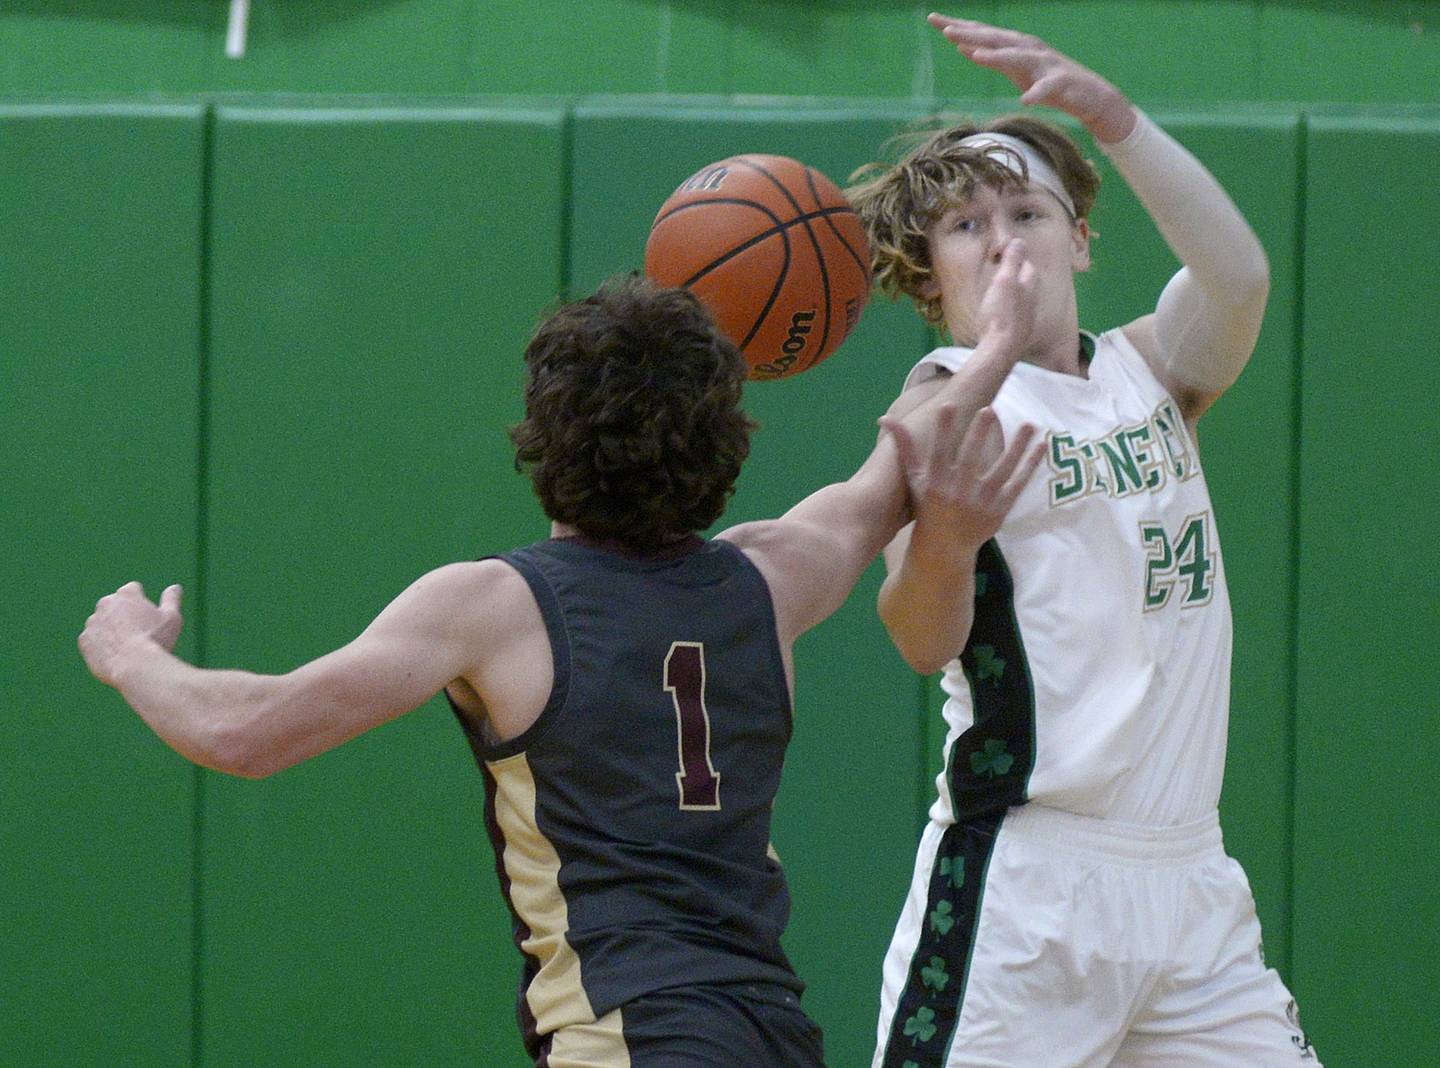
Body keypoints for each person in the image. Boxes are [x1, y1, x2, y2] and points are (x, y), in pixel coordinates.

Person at [79, 264, 1043, 1067]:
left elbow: (245, 730)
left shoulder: (494, 608)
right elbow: (893, 475)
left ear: (543, 433)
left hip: (630, 1033)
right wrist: (993, 349)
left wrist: (131, 659)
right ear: (726, 442)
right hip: (770, 1031)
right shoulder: (774, 578)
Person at [846, 12, 1320, 1068]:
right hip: (1029, 893)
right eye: (967, 226)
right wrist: (947, 541)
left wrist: (1114, 119)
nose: (1005, 236)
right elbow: (920, 639)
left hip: (1190, 883)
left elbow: (1238, 277)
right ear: (930, 276)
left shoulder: (1152, 370)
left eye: (1028, 210)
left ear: (1082, 238)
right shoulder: (941, 406)